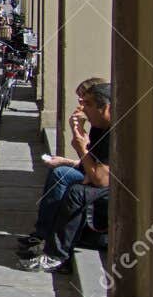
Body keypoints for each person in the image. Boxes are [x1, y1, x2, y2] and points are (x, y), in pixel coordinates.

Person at [20, 79, 112, 271]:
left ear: (105, 108)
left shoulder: (113, 131)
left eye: (87, 103)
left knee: (76, 191)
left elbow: (101, 180)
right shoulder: (98, 127)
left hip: (113, 188)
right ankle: (43, 235)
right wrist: (77, 134)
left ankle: (57, 256)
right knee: (61, 174)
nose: (82, 108)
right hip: (97, 178)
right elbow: (91, 166)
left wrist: (81, 149)